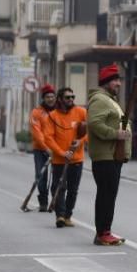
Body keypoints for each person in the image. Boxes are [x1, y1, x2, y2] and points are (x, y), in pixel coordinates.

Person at [87, 63, 131, 246]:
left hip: (112, 156)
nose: (118, 84)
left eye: (119, 80)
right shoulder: (100, 100)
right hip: (105, 156)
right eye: (114, 80)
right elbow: (95, 124)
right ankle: (102, 232)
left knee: (109, 194)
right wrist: (116, 134)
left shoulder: (109, 99)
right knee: (106, 194)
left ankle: (105, 231)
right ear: (105, 82)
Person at [43, 86, 88, 228]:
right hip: (59, 160)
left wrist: (81, 141)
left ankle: (68, 215)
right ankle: (60, 216)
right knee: (59, 188)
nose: (71, 100)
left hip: (77, 159)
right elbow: (48, 137)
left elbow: (91, 130)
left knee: (73, 189)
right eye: (67, 97)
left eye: (72, 97)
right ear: (60, 99)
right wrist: (61, 152)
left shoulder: (81, 112)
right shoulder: (52, 116)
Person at [30, 84, 57, 212]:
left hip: (57, 149)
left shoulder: (59, 112)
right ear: (43, 98)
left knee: (57, 177)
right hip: (40, 149)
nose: (50, 99)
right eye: (48, 97)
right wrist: (46, 148)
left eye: (52, 96)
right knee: (41, 176)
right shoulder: (36, 112)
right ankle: (43, 201)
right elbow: (37, 132)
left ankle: (56, 200)